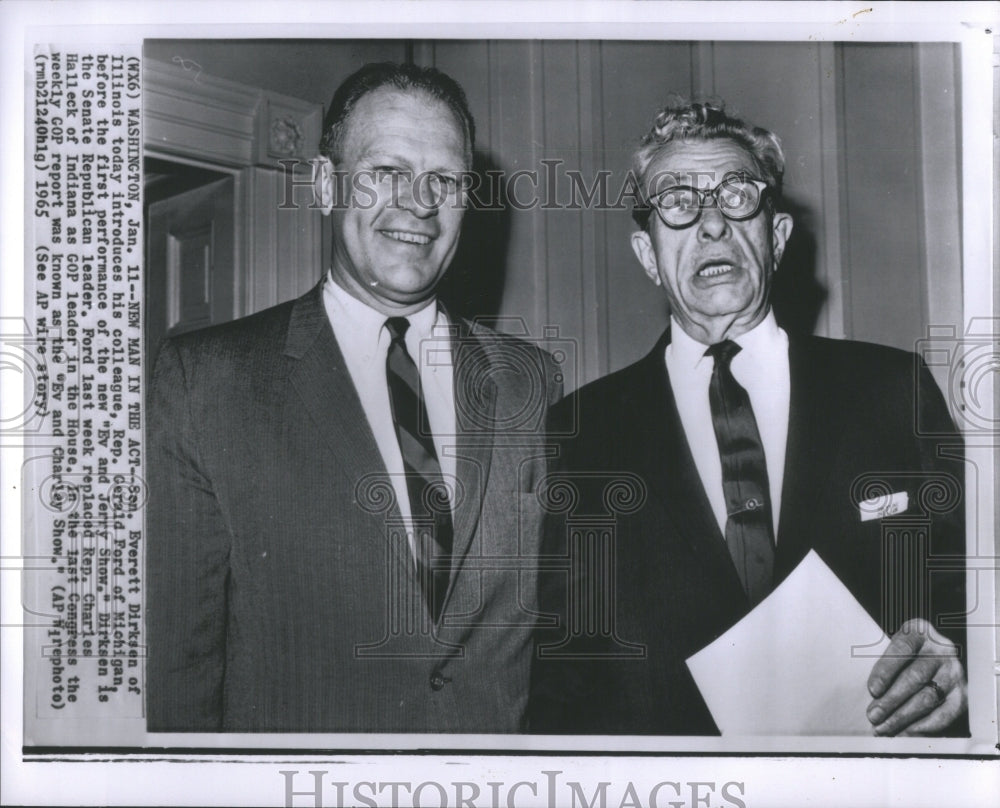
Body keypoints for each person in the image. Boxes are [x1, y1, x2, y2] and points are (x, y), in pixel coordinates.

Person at [528, 102, 967, 736]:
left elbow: (973, 588)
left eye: (737, 195)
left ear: (778, 236)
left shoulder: (892, 390)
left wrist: (964, 667)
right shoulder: (583, 430)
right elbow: (565, 673)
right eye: (678, 202)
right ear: (647, 255)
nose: (711, 224)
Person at [146, 62, 561, 732]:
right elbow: (175, 674)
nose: (419, 203)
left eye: (445, 180)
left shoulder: (530, 380)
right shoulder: (206, 380)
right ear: (323, 185)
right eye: (385, 171)